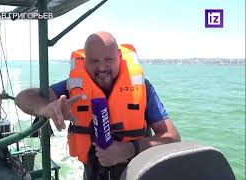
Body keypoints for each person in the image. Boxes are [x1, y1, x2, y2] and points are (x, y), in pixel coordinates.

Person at [15, 31, 181, 179]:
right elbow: (23, 98)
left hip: (138, 172)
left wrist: (129, 149)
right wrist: (46, 108)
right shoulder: (72, 87)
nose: (101, 67)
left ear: (119, 56)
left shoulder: (143, 88)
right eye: (94, 61)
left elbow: (172, 137)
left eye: (108, 59)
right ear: (85, 61)